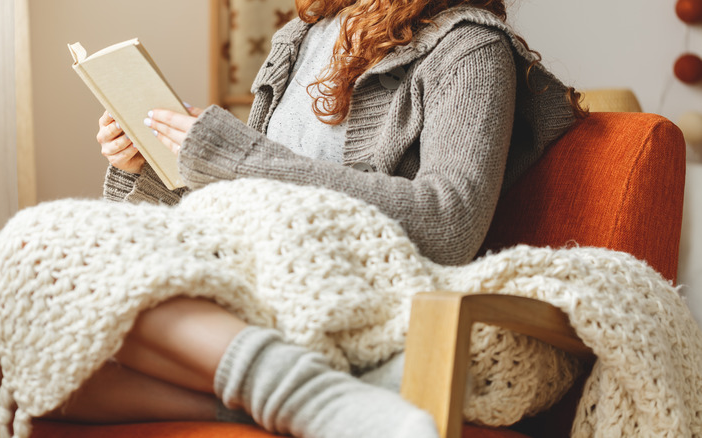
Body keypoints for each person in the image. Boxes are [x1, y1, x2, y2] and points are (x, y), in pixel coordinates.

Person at [61, 0, 585, 436]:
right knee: (49, 360)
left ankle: (296, 389)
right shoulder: (300, 37)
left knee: (48, 259)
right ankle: (306, 401)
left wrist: (238, 157)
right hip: (257, 273)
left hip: (346, 294)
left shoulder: (469, 48)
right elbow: (253, 202)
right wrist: (148, 166)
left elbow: (450, 224)